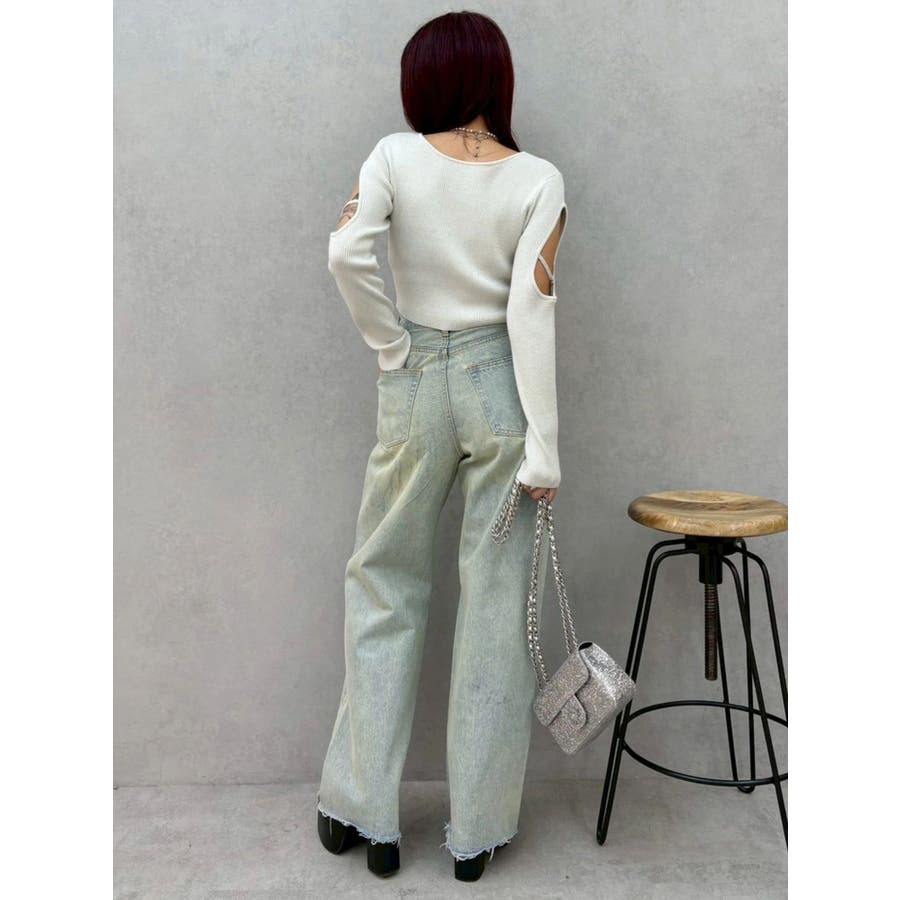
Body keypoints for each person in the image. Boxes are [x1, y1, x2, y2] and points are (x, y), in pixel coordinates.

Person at [315, 10, 568, 883]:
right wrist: (545, 447)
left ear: (422, 79)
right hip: (501, 389)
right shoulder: (537, 178)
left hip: (416, 377)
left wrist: (392, 345)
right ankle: (478, 832)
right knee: (496, 607)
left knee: (384, 582)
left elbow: (347, 253)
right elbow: (532, 309)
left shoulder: (392, 156)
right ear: (497, 78)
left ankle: (365, 813)